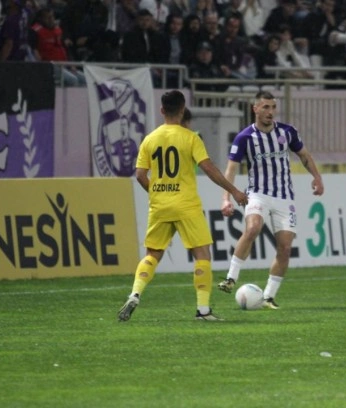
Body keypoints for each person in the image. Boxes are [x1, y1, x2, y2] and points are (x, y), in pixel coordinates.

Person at [117, 90, 249, 322]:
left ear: (162, 110)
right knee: (202, 254)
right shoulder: (190, 138)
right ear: (182, 109)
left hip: (159, 206)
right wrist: (234, 191)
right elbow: (208, 168)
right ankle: (203, 310)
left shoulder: (150, 139)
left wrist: (156, 192)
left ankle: (135, 294)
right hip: (186, 205)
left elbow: (140, 175)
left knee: (153, 254)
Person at [217, 91, 325, 309]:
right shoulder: (245, 137)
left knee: (285, 248)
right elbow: (231, 170)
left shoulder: (287, 132)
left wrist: (317, 177)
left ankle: (268, 297)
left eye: (273, 107)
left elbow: (304, 155)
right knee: (253, 228)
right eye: (265, 107)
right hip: (258, 193)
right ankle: (230, 278)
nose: (270, 112)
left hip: (284, 197)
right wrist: (226, 198)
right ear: (255, 109)